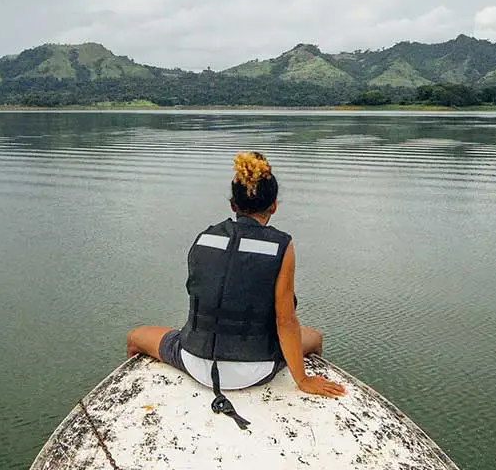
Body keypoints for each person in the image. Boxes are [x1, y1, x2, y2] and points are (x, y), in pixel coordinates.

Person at [127, 152, 346, 399]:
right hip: (255, 368)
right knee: (314, 338)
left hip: (193, 359)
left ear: (233, 205)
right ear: (274, 205)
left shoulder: (205, 237)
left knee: (135, 337)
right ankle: (306, 387)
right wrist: (303, 379)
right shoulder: (282, 245)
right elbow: (285, 321)